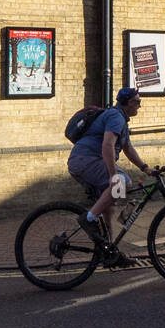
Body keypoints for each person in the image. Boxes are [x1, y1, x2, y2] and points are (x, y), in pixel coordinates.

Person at [68, 88, 151, 266]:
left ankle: (109, 251)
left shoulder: (120, 119)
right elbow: (107, 146)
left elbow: (127, 148)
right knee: (124, 182)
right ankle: (88, 219)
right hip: (86, 160)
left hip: (82, 161)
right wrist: (114, 176)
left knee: (109, 207)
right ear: (129, 103)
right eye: (137, 101)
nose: (140, 105)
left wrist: (146, 168)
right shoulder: (116, 117)